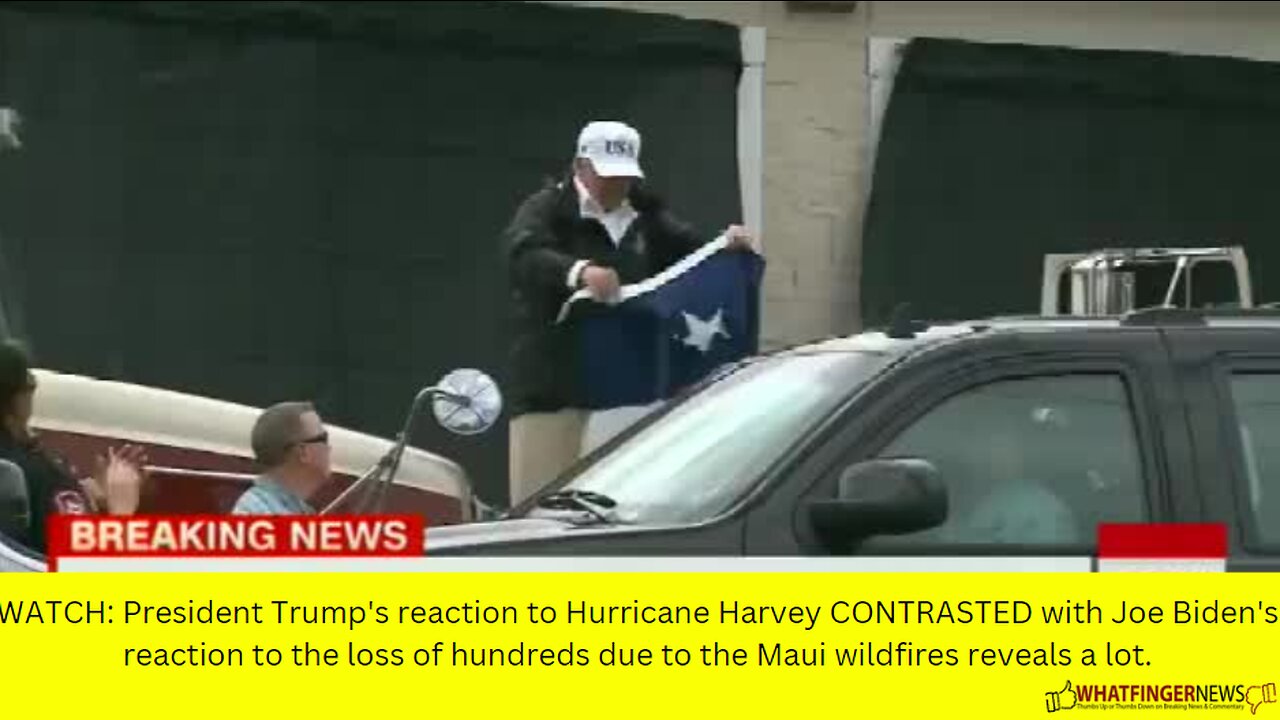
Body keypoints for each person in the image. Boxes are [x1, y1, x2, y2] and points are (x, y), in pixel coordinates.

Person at [503, 120, 758, 506]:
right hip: (552, 388)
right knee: (539, 503)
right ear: (579, 166)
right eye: (606, 175)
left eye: (623, 176)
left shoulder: (648, 218)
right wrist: (579, 272)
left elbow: (694, 254)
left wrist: (726, 245)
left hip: (625, 389)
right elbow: (523, 254)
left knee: (615, 504)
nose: (615, 185)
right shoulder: (546, 209)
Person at [0, 340, 147, 554]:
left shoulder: (26, 462)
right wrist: (122, 509)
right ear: (16, 400)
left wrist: (90, 501)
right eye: (28, 382)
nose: (34, 386)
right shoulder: (26, 471)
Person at [232, 401, 332, 514]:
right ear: (303, 452)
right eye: (324, 438)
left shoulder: (300, 510)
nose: (329, 448)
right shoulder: (254, 512)